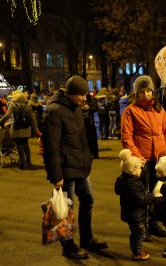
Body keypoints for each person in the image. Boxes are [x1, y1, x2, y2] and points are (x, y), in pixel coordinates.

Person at [41, 75, 108, 260]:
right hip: (64, 170)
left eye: (85, 95)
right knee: (65, 210)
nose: (84, 98)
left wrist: (88, 159)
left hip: (80, 166)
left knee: (88, 200)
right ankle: (68, 245)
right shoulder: (54, 111)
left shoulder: (76, 108)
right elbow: (51, 147)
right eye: (81, 95)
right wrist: (56, 176)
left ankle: (87, 238)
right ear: (70, 93)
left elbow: (81, 139)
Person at [121, 75, 166, 240]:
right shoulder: (130, 111)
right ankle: (140, 227)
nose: (146, 95)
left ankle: (153, 222)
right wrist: (136, 156)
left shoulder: (159, 109)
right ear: (136, 93)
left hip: (158, 158)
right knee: (141, 194)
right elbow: (126, 137)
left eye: (148, 91)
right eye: (142, 92)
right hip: (141, 160)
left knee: (156, 192)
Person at [115, 149, 155, 261]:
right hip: (136, 214)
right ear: (132, 171)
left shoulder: (122, 179)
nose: (141, 170)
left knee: (133, 232)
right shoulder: (132, 184)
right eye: (139, 168)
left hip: (128, 213)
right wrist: (152, 196)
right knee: (139, 233)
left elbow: (117, 190)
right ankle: (137, 253)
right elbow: (141, 199)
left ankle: (134, 250)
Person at [0, 90, 40, 169]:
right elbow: (32, 118)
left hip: (17, 127)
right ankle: (29, 161)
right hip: (26, 127)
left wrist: (0, 121)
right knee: (25, 143)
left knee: (19, 144)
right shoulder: (27, 104)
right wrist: (36, 128)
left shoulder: (13, 104)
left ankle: (23, 164)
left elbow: (7, 115)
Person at [82, 93, 99, 158]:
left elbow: (95, 108)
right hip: (82, 122)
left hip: (90, 122)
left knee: (92, 139)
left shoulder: (91, 99)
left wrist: (89, 108)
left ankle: (94, 154)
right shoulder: (80, 100)